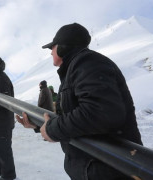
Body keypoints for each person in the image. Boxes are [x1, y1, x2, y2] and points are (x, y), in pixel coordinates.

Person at [16, 23, 142, 180]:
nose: (50, 53)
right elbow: (72, 116)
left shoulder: (88, 62)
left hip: (107, 170)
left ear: (62, 47)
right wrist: (39, 124)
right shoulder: (75, 70)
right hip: (92, 167)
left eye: (52, 48)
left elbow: (99, 113)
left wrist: (53, 129)